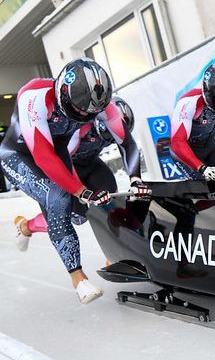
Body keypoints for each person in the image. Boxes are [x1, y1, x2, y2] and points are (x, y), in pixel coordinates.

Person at [0, 59, 149, 304]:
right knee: (58, 196)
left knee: (80, 214)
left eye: (91, 113)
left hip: (55, 153)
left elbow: (128, 143)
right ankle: (78, 278)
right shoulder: (34, 95)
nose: (85, 117)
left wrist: (135, 178)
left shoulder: (104, 107)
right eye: (80, 111)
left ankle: (26, 227)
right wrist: (80, 190)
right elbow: (42, 155)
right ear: (63, 95)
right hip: (20, 155)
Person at [13, 97, 149, 250]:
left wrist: (136, 179)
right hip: (66, 170)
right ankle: (27, 226)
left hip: (92, 165)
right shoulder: (81, 127)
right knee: (74, 217)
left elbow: (128, 148)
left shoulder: (113, 122)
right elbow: (63, 159)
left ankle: (116, 250)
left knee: (110, 203)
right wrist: (81, 191)